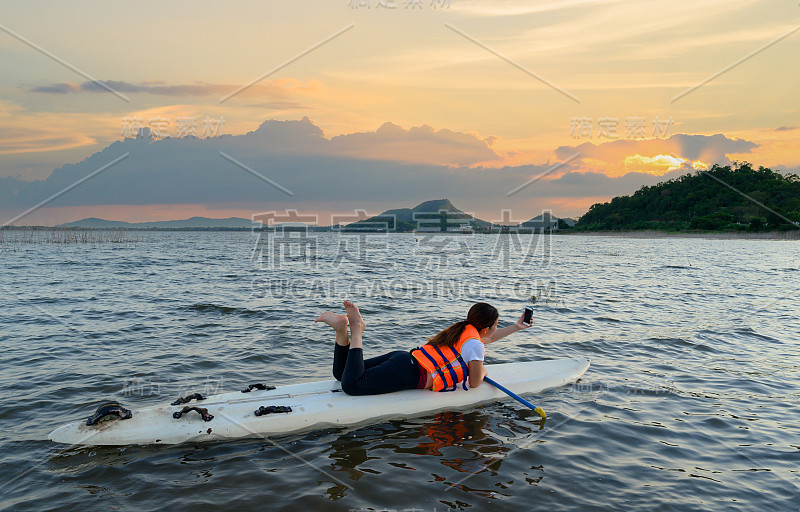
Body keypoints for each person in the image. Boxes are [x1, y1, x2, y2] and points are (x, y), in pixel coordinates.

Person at [315, 300, 531, 396]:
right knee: (351, 385)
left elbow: (488, 340)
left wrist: (516, 327)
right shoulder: (474, 344)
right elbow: (474, 383)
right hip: (409, 372)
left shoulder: (464, 331)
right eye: (495, 326)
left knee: (340, 373)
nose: (496, 330)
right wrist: (483, 370)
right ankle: (357, 328)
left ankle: (341, 330)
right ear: (485, 328)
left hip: (403, 359)